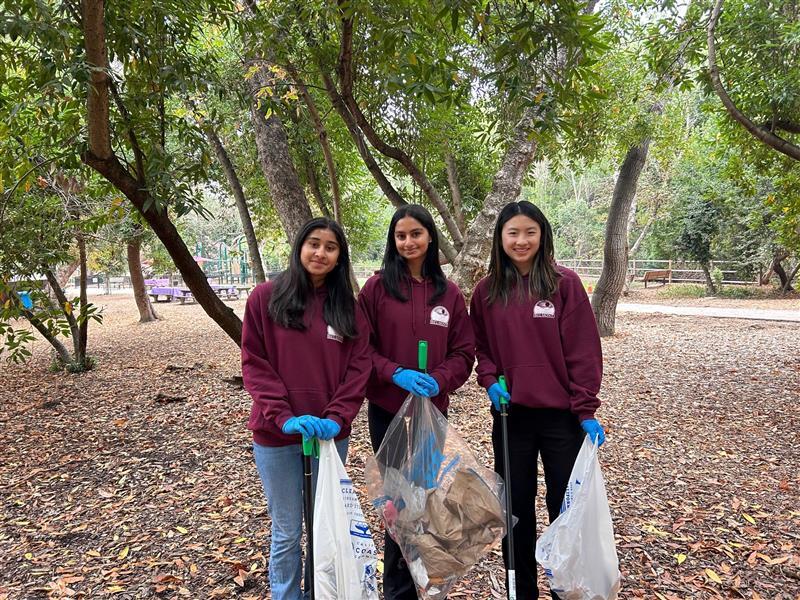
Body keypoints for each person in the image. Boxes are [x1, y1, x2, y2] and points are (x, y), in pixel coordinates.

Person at [469, 201, 607, 600]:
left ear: (542, 235)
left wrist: (585, 408)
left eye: (530, 232)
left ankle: (567, 587)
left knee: (565, 507)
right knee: (515, 510)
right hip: (512, 417)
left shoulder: (564, 284)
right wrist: (490, 379)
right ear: (500, 238)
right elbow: (482, 347)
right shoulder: (487, 291)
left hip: (562, 418)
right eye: (513, 233)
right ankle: (520, 591)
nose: (521, 240)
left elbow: (583, 351)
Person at [241, 217, 372, 600]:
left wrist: (337, 417)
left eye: (330, 247)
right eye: (314, 243)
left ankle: (322, 592)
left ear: (339, 258)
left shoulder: (348, 309)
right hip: (276, 435)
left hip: (330, 437)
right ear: (300, 247)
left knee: (324, 526)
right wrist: (283, 416)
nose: (321, 253)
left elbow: (358, 368)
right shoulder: (266, 298)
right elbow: (255, 363)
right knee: (287, 531)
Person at [358, 204, 475, 599]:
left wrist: (439, 379)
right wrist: (395, 373)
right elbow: (361, 348)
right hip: (388, 408)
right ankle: (397, 590)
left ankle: (420, 577)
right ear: (393, 241)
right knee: (395, 500)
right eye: (401, 236)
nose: (409, 242)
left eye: (416, 234)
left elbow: (464, 352)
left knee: (420, 498)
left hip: (431, 411)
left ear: (430, 237)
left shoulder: (449, 294)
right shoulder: (376, 289)